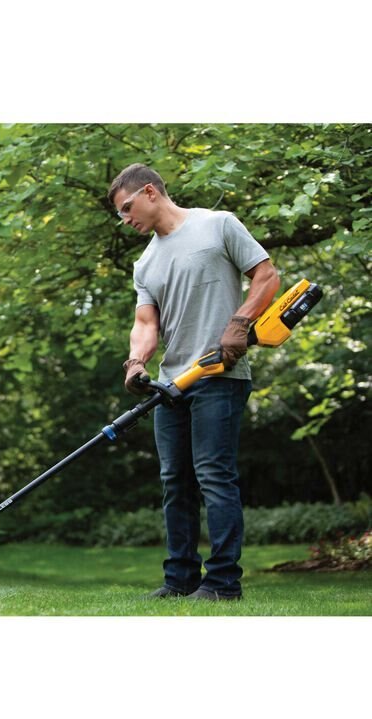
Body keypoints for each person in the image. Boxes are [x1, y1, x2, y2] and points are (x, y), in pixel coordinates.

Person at [109, 163, 280, 601]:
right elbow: (145, 322)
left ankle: (222, 582)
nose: (125, 219)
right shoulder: (145, 262)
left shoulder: (218, 225)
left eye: (127, 207)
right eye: (120, 213)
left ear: (150, 192)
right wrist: (135, 362)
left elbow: (267, 275)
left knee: (213, 476)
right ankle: (180, 578)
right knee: (175, 481)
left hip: (219, 374)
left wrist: (240, 322)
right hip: (171, 384)